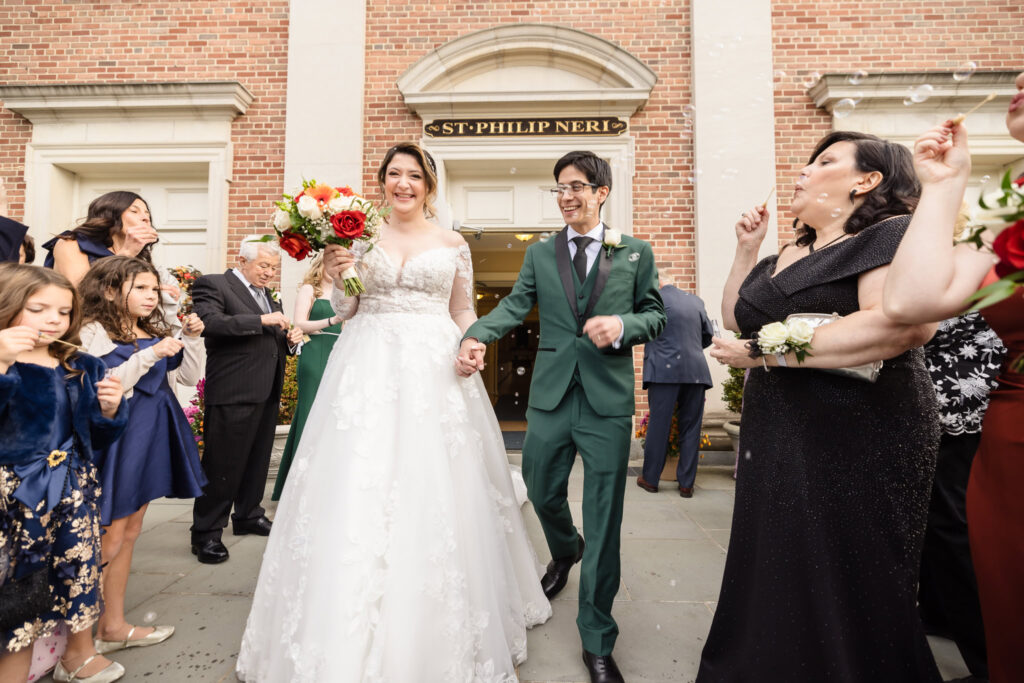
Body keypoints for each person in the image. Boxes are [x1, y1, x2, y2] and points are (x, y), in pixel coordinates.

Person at [236, 142, 552, 682]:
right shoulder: (356, 238)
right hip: (368, 363)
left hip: (434, 365)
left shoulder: (451, 242)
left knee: (436, 481)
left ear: (429, 185)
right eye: (393, 174)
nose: (403, 183)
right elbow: (345, 309)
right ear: (382, 181)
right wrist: (337, 276)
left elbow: (459, 306)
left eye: (414, 175)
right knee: (360, 477)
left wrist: (470, 341)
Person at [699, 131, 941, 682]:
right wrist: (745, 249)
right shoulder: (788, 251)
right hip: (780, 427)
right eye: (809, 161)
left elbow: (894, 327)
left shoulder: (889, 235)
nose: (805, 170)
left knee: (846, 562)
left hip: (860, 429)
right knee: (777, 555)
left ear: (867, 181)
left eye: (825, 161)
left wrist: (762, 354)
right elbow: (738, 317)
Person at [457, 150, 666, 683]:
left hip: (607, 402)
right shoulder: (539, 253)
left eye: (578, 186)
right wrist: (477, 333)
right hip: (550, 397)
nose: (567, 196)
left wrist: (621, 324)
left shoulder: (636, 252)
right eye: (560, 188)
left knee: (605, 518)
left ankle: (597, 638)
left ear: (602, 192)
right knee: (541, 489)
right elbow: (514, 305)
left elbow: (655, 315)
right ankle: (565, 549)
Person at [882, 70, 1024, 683]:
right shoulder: (1006, 211)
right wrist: (945, 184)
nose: (1017, 74)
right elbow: (910, 306)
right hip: (1008, 438)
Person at [0, 264, 128, 683]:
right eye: (38, 309)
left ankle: (75, 655)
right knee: (20, 588)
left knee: (74, 572)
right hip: (16, 497)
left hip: (72, 491)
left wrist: (109, 409)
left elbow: (93, 434)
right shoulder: (5, 361)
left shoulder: (79, 365)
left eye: (63, 311)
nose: (54, 320)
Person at [77, 256, 207, 657]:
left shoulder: (151, 328)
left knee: (131, 531)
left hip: (156, 428)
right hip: (122, 435)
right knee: (109, 535)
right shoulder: (92, 331)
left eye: (155, 289)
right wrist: (150, 355)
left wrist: (194, 339)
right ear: (111, 290)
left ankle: (113, 625)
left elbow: (188, 377)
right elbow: (104, 385)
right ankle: (77, 641)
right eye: (143, 289)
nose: (153, 296)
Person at [189, 239, 303, 564]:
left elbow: (270, 337)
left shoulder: (267, 295)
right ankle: (206, 533)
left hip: (266, 388)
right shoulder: (214, 284)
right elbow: (210, 323)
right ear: (242, 260)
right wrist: (262, 321)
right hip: (233, 390)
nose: (269, 273)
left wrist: (289, 340)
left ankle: (249, 515)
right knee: (222, 464)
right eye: (264, 266)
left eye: (273, 268)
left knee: (256, 459)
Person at [918, 311, 1003, 681]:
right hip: (959, 390)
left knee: (949, 522)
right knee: (936, 518)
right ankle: (938, 614)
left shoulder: (966, 255)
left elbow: (927, 322)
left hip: (957, 395)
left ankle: (991, 661)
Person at [636, 266, 713, 497]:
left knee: (660, 426)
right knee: (691, 427)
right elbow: (707, 336)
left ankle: (650, 479)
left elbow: (640, 332)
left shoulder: (652, 300)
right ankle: (686, 484)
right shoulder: (696, 301)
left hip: (664, 372)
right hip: (696, 372)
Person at [271, 253, 341, 501]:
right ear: (320, 265)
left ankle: (328, 482)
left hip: (343, 354)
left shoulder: (349, 291)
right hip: (316, 353)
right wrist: (333, 319)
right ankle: (299, 488)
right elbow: (299, 324)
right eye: (330, 263)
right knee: (311, 413)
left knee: (336, 417)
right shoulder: (310, 289)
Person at [42, 191, 159, 286]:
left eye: (147, 213)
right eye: (134, 211)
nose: (145, 218)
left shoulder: (139, 255)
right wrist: (127, 254)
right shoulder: (72, 243)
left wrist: (157, 290)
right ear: (110, 215)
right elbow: (80, 291)